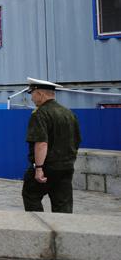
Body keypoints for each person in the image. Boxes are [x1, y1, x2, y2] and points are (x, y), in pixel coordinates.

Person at [22, 77, 82, 213]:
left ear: (40, 94)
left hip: (46, 168)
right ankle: (63, 231)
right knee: (63, 205)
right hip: (66, 168)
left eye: (32, 94)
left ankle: (40, 229)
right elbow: (77, 140)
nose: (32, 98)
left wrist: (39, 168)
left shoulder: (40, 114)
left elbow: (41, 143)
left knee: (31, 196)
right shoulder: (68, 113)